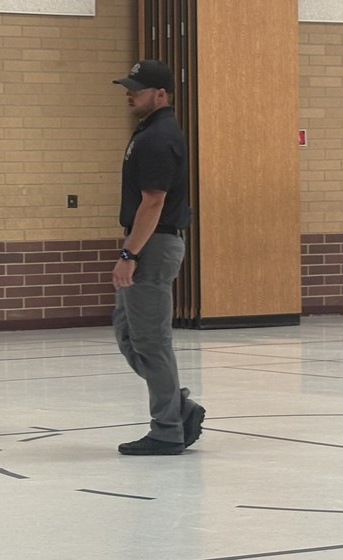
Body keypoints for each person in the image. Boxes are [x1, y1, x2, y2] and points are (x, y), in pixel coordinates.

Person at [111, 60, 205, 455]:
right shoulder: (149, 131)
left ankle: (167, 430)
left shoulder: (158, 137)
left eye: (137, 89)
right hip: (147, 243)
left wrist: (130, 253)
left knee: (151, 342)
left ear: (161, 94)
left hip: (152, 245)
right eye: (128, 87)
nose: (129, 94)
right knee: (128, 334)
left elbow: (153, 202)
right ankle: (178, 407)